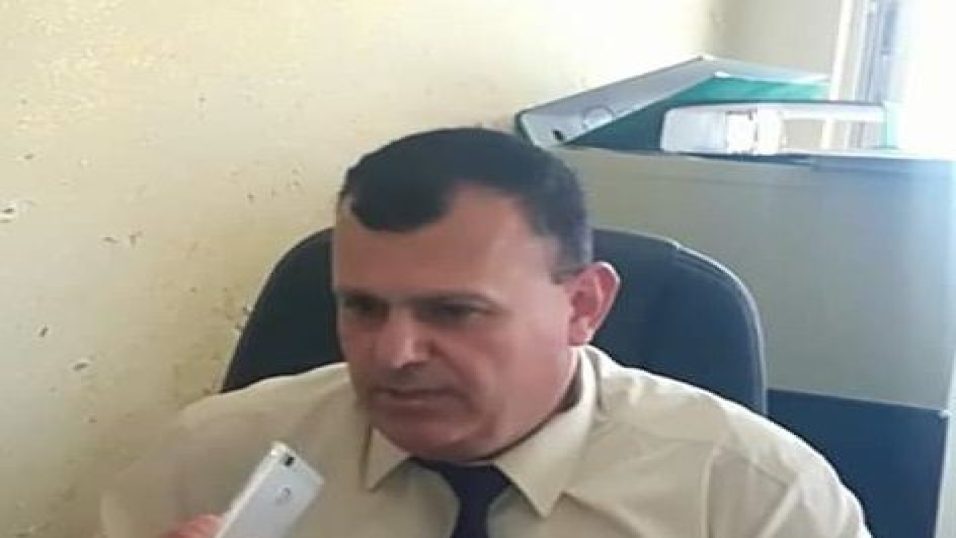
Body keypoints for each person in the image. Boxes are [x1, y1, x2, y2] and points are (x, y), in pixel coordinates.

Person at [99, 128, 870, 538]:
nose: (394, 354)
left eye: (453, 311)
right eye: (362, 307)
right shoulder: (211, 459)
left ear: (583, 306)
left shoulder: (752, 494)